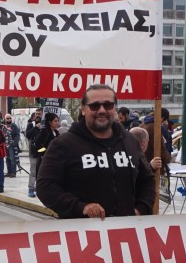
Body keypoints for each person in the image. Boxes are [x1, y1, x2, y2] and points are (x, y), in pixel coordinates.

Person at [37, 84, 155, 219]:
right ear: (83, 109)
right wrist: (80, 207)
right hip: (82, 229)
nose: (102, 110)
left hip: (126, 229)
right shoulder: (63, 144)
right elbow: (45, 186)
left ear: (115, 108)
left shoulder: (130, 141)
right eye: (94, 106)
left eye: (108, 105)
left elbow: (147, 180)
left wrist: (141, 209)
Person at [30, 112, 60, 198]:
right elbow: (37, 144)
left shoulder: (56, 132)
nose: (57, 123)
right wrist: (44, 153)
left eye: (58, 121)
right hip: (45, 159)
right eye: (55, 121)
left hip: (55, 159)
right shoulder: (44, 132)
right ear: (50, 122)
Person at [25, 110, 43, 197]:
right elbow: (28, 135)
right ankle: (31, 189)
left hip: (42, 152)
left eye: (39, 114)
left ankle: (39, 188)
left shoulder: (44, 125)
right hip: (33, 152)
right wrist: (36, 127)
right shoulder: (31, 124)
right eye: (36, 114)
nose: (37, 115)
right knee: (33, 171)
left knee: (41, 172)